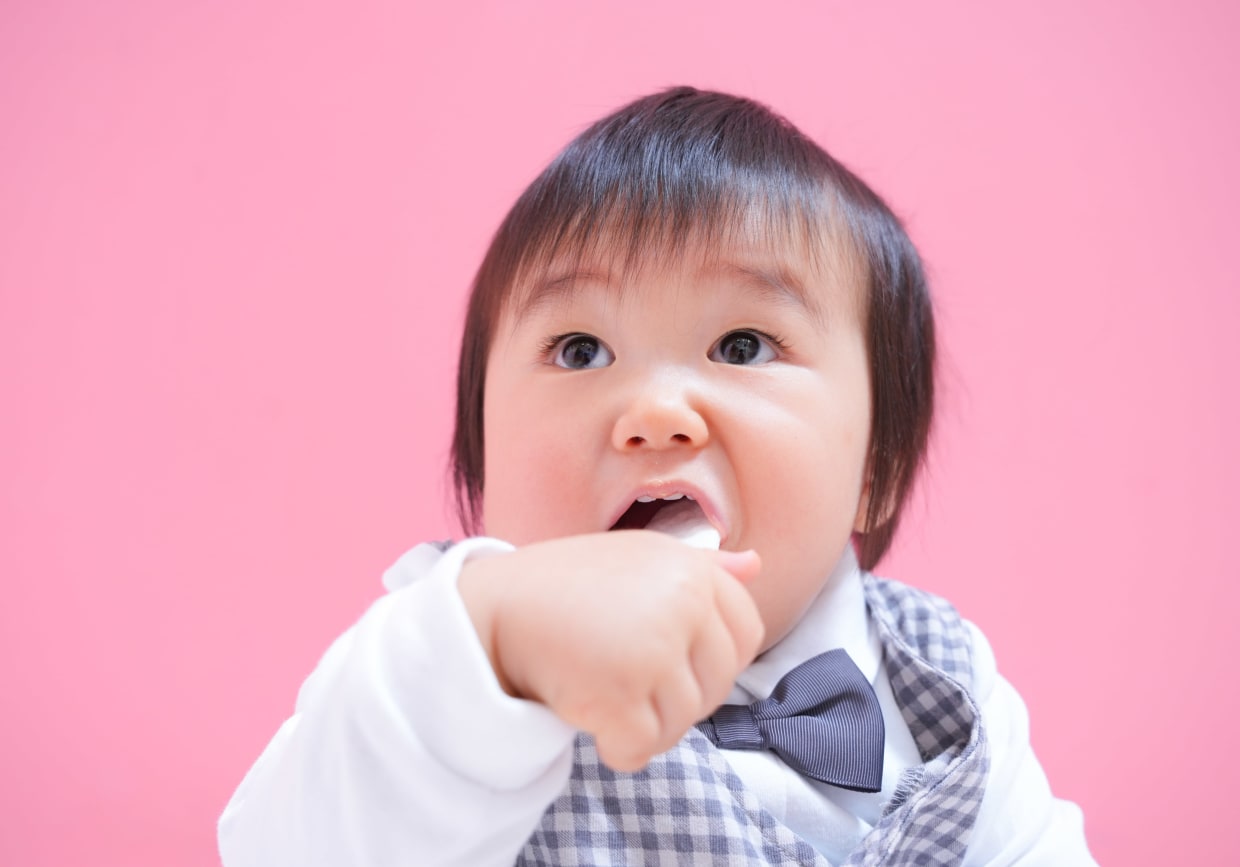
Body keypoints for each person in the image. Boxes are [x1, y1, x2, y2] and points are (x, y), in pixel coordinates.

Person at [217, 86, 1096, 866]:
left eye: (743, 346)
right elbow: (282, 845)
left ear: (877, 466)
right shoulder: (451, 651)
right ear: (482, 458)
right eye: (580, 350)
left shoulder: (944, 681)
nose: (654, 411)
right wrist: (496, 638)